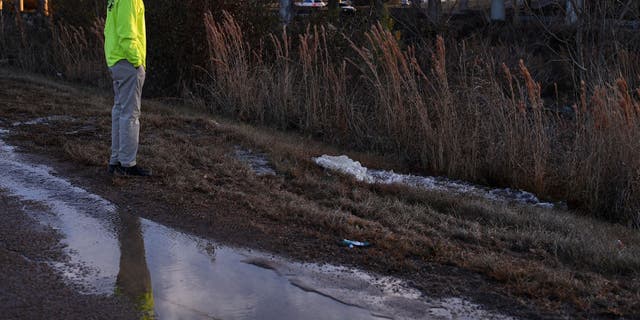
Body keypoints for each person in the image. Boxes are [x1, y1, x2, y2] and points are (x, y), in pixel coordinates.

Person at [104, 0, 151, 176]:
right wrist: (137, 62)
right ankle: (127, 164)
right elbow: (127, 35)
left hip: (116, 60)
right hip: (127, 62)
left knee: (120, 111)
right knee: (130, 114)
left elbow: (110, 30)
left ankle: (116, 161)